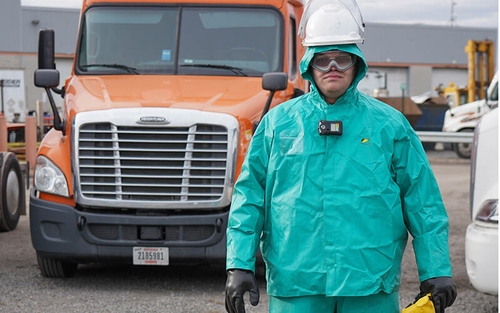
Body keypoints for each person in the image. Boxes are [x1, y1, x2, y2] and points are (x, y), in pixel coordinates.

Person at [224, 0, 457, 312]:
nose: (332, 68)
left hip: (369, 283)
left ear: (357, 62)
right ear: (308, 64)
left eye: (342, 59)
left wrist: (436, 269)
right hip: (297, 284)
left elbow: (422, 200)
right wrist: (239, 264)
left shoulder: (389, 125)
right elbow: (249, 196)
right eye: (323, 60)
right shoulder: (277, 125)